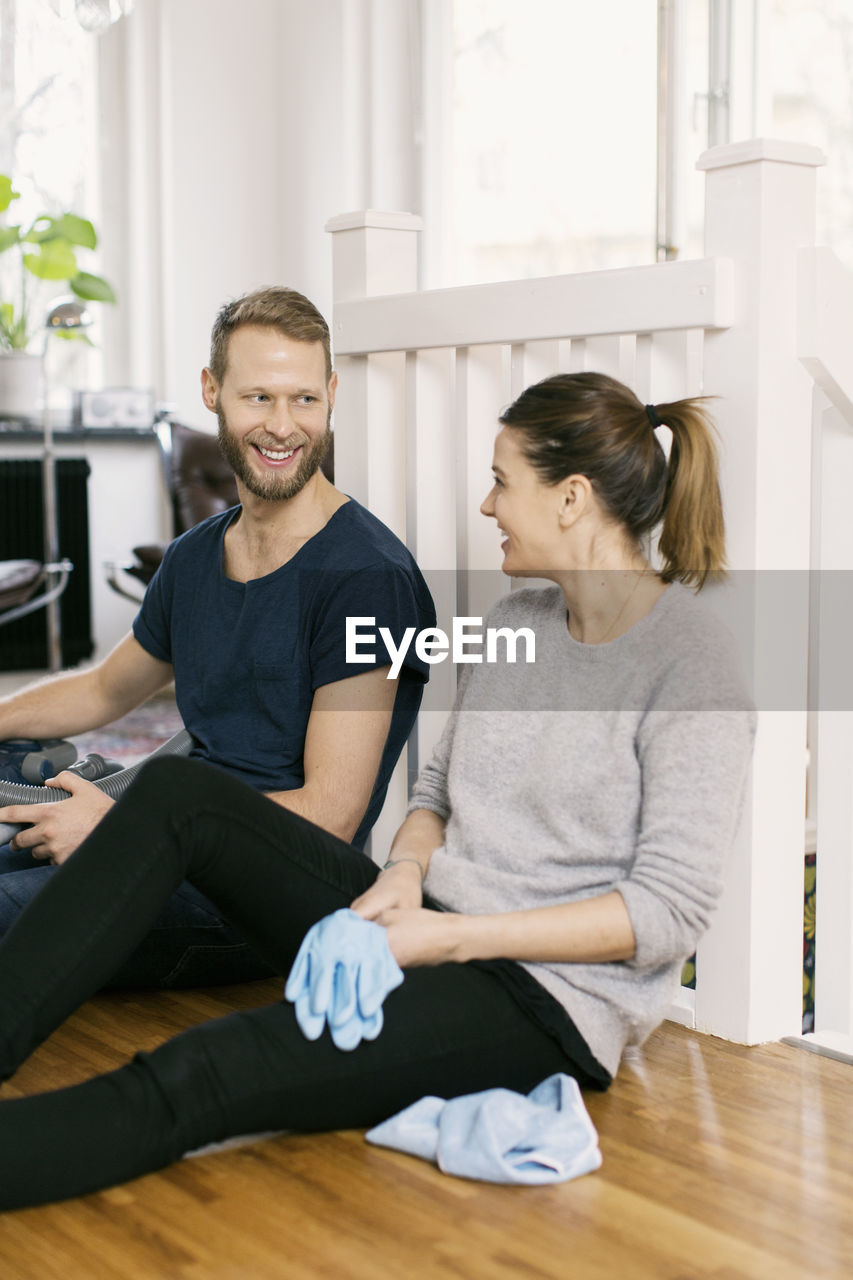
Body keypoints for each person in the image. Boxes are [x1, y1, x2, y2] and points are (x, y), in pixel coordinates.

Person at [0, 372, 755, 1211]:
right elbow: (434, 791)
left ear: (571, 497)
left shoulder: (693, 668)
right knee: (177, 792)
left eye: (502, 481)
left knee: (202, 1069)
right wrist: (401, 879)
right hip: (417, 924)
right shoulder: (514, 625)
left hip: (540, 1001)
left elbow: (664, 915)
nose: (486, 506)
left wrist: (444, 940)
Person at [0, 287, 435, 986]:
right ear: (212, 391)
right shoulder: (195, 556)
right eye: (257, 398)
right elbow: (107, 688)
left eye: (302, 399)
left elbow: (329, 812)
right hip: (165, 834)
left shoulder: (365, 577)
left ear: (329, 394)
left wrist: (119, 833)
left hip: (264, 894)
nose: (283, 426)